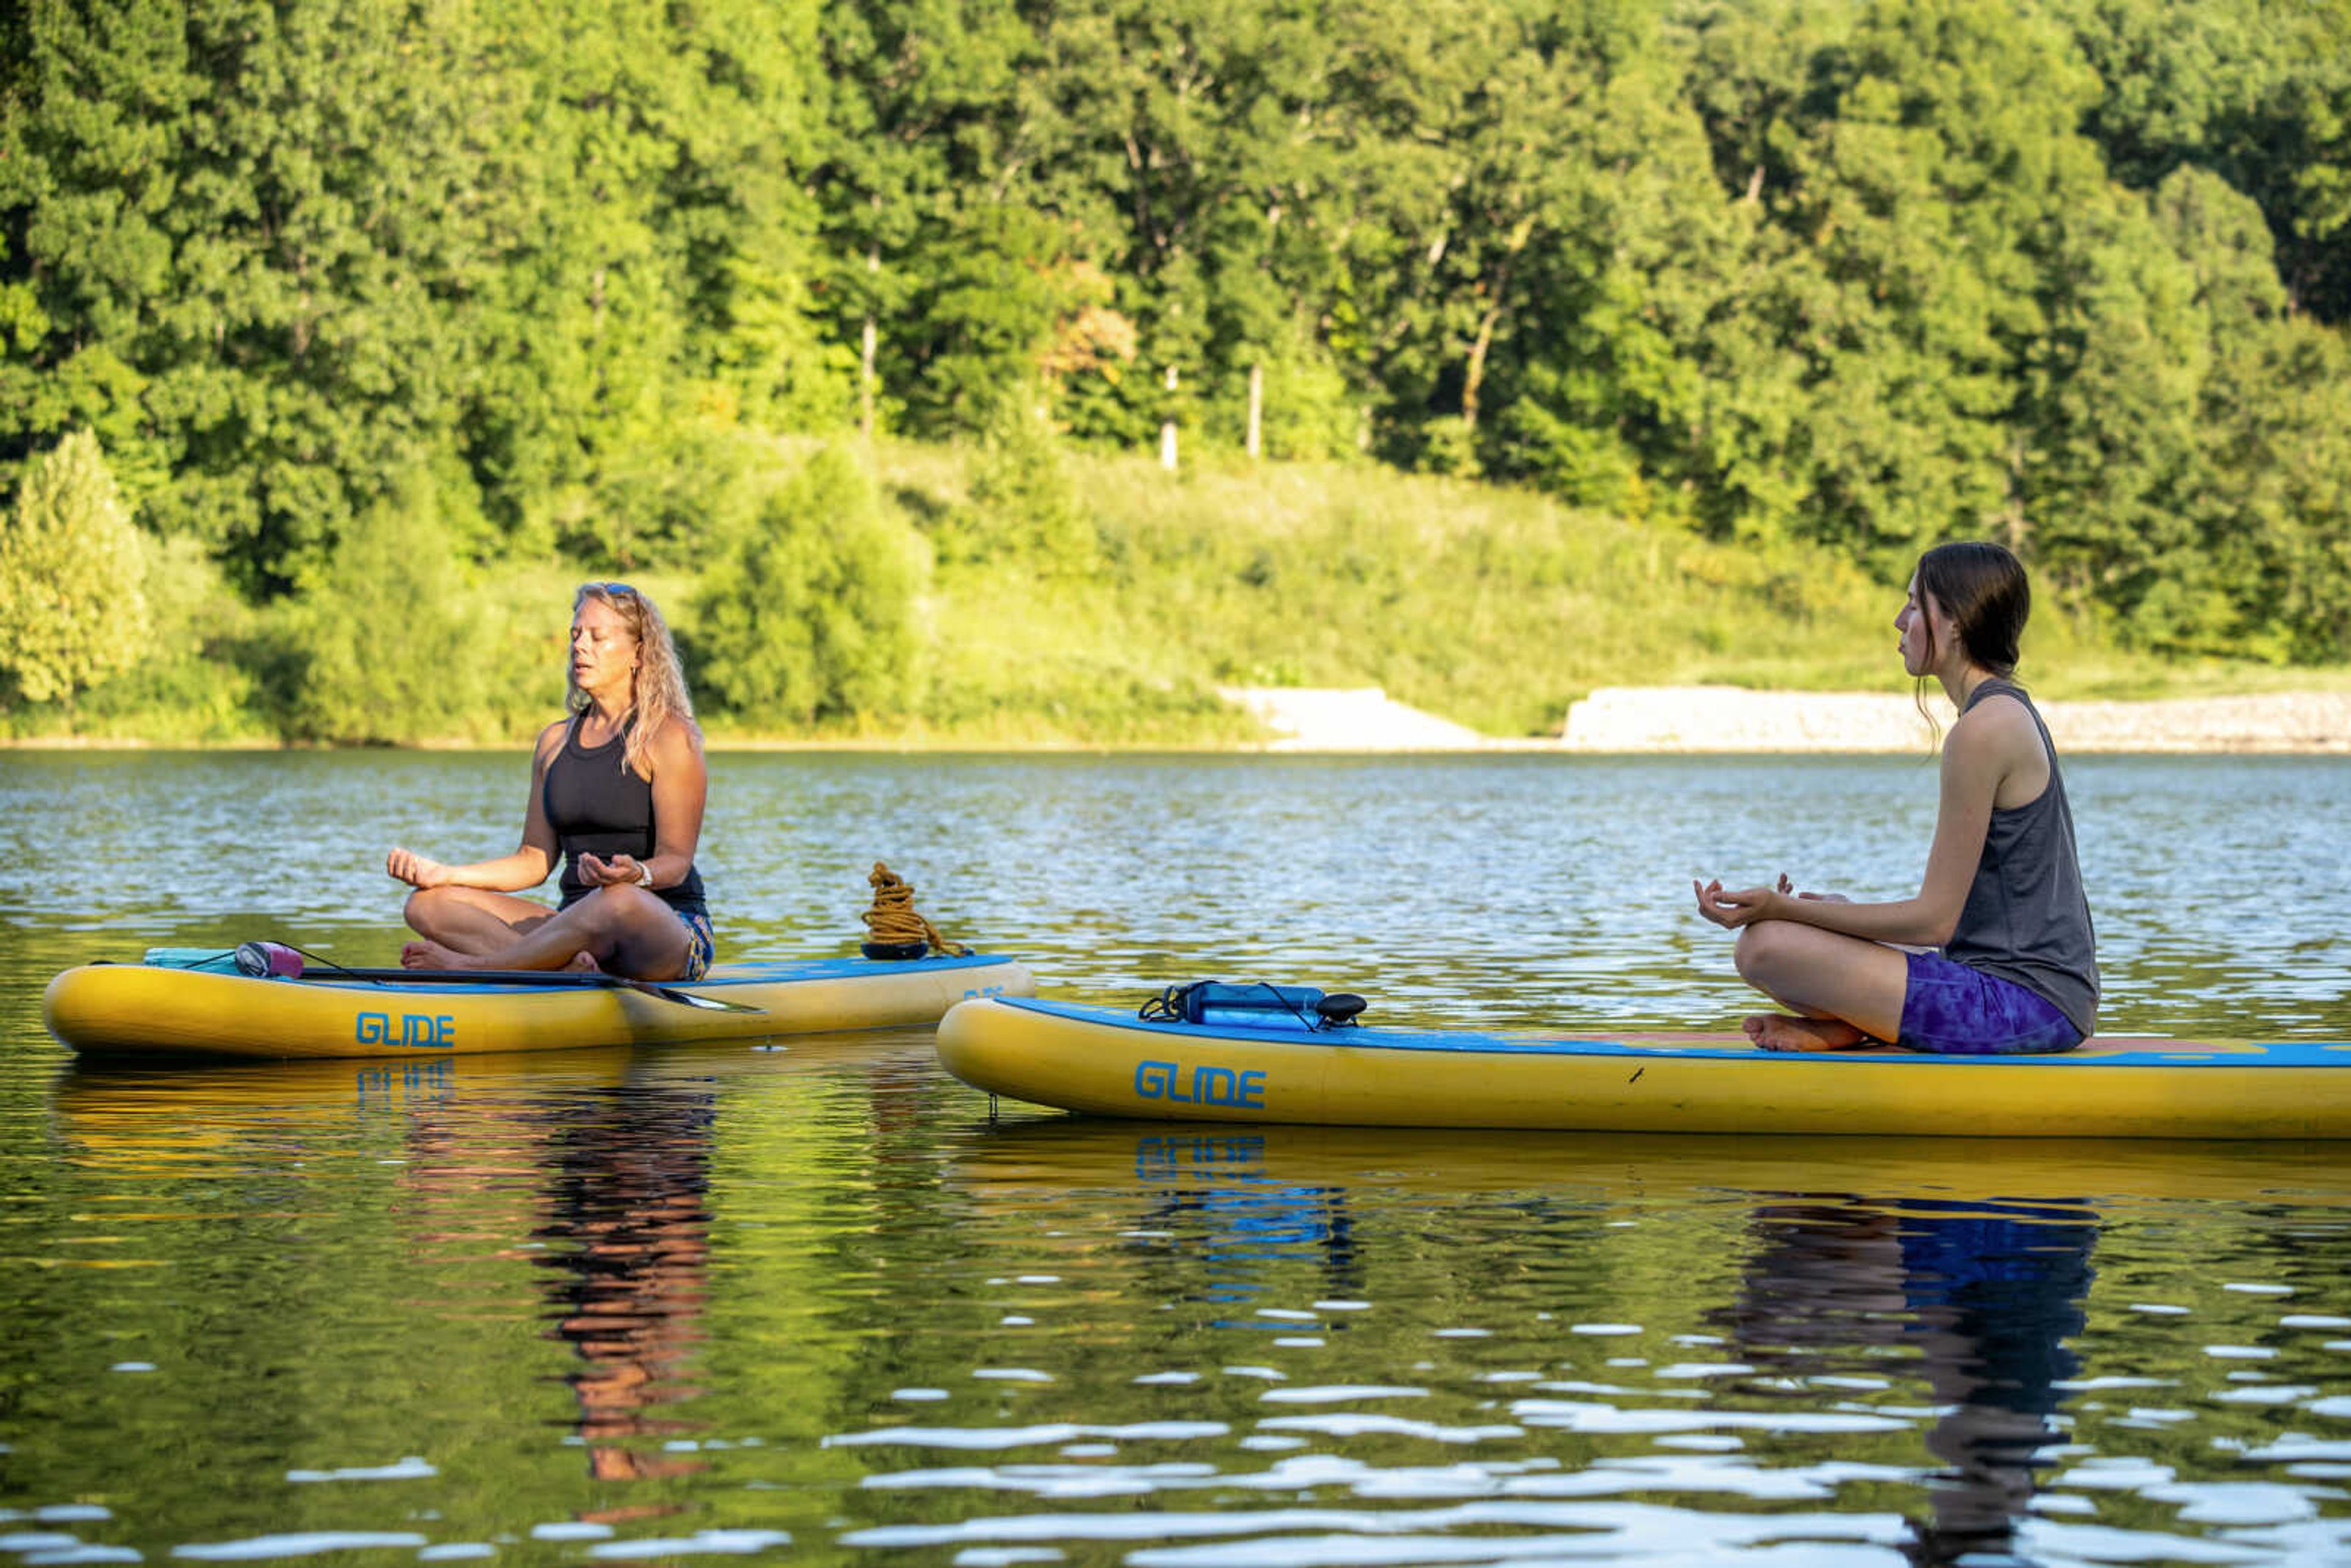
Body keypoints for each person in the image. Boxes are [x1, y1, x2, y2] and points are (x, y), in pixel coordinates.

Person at [1692, 541, 2096, 1053]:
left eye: (1913, 603)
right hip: (2023, 989)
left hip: (2026, 1008)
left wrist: (1784, 909)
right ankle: (1852, 1024)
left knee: (1765, 945)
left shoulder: (1983, 730)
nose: (1899, 620)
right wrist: (1842, 917)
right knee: (1801, 930)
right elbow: (1959, 925)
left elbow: (1934, 921)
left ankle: (1859, 1022)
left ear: (1956, 622)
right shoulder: (2002, 712)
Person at [386, 582, 714, 981]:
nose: (580, 646)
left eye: (597, 637)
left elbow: (676, 862)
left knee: (616, 899)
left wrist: (637, 874)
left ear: (639, 654)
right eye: (576, 635)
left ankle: (478, 967)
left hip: (663, 929)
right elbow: (532, 859)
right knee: (426, 905)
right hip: (576, 926)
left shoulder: (668, 736)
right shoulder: (554, 743)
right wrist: (446, 873)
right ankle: (564, 967)